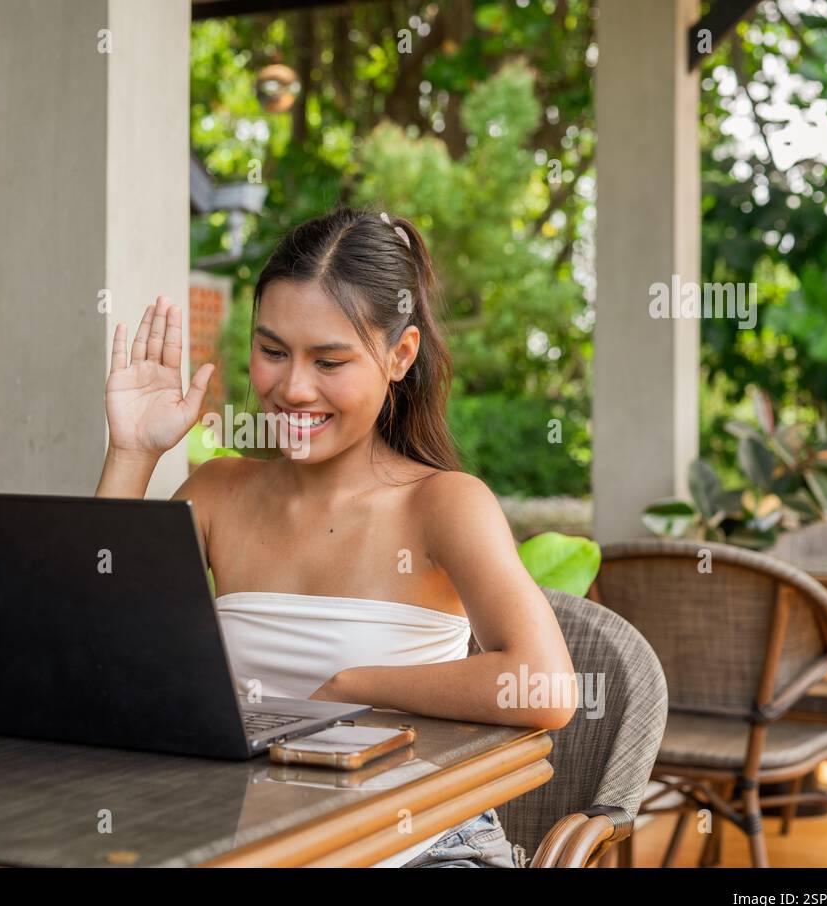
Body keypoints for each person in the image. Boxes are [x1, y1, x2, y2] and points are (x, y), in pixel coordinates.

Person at [95, 205, 576, 867]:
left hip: (422, 845)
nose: (293, 388)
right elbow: (96, 646)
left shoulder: (444, 504)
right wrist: (131, 452)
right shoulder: (216, 492)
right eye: (272, 351)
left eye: (329, 360)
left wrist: (354, 686)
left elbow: (543, 685)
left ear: (399, 355)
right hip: (254, 840)